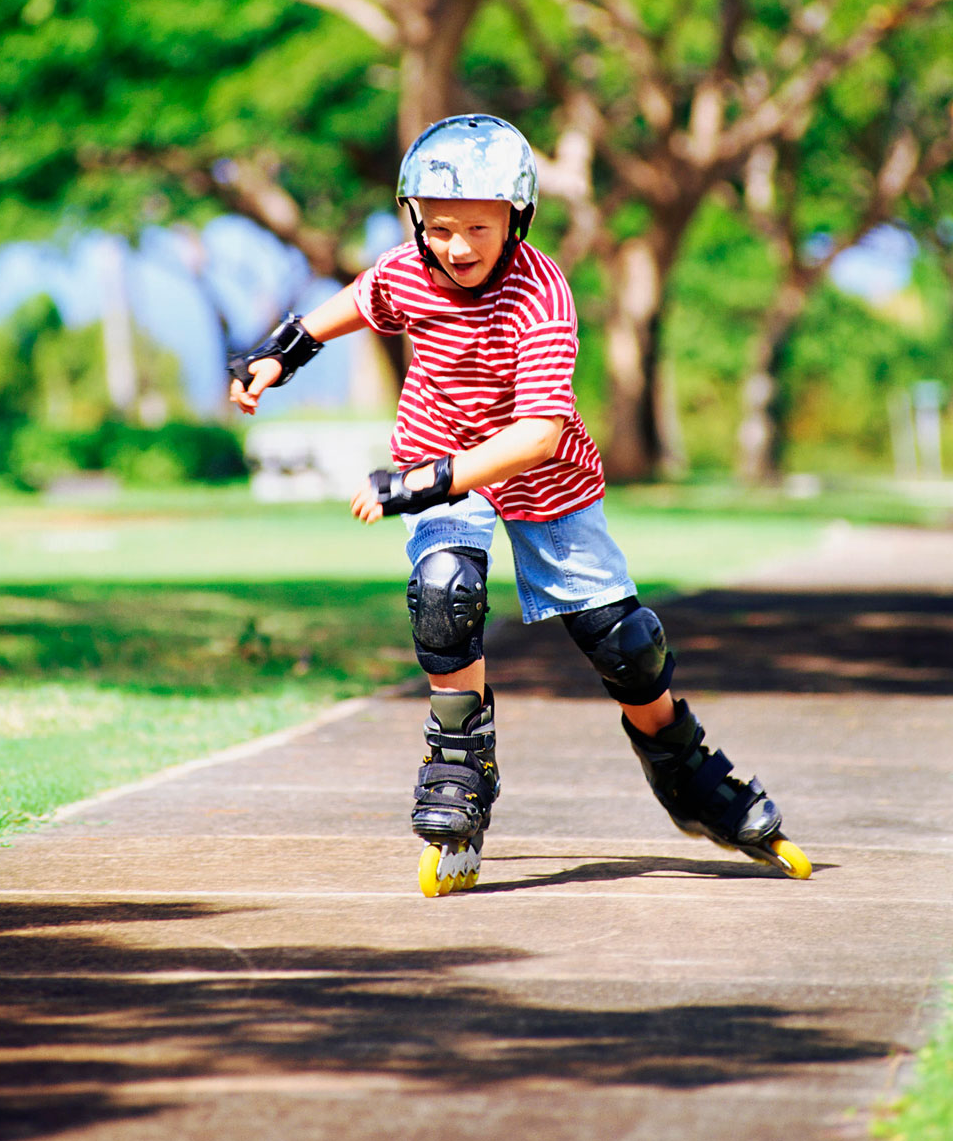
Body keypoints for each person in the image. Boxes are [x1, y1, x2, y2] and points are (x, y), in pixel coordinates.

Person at [229, 114, 810, 895]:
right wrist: (279, 353)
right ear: (414, 222)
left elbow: (537, 435)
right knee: (444, 591)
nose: (457, 246)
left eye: (477, 226)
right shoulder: (409, 271)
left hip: (541, 478)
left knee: (626, 644)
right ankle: (460, 760)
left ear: (516, 219)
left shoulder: (541, 292)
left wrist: (417, 483)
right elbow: (357, 303)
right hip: (438, 453)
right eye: (438, 227)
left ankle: (685, 771)